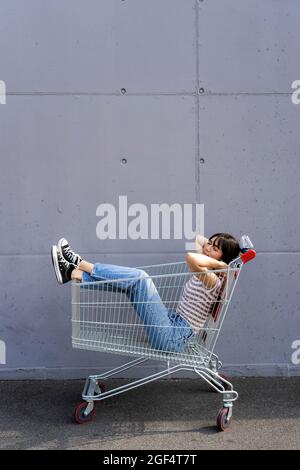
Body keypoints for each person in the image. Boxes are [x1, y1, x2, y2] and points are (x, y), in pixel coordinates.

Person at [51, 233, 240, 353]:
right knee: (131, 285)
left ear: (223, 259)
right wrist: (216, 255)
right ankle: (72, 272)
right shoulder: (209, 270)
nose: (207, 248)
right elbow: (198, 238)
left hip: (173, 337)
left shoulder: (213, 280)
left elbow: (191, 258)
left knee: (140, 278)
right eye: (210, 244)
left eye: (214, 249)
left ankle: (79, 262)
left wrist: (221, 265)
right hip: (172, 324)